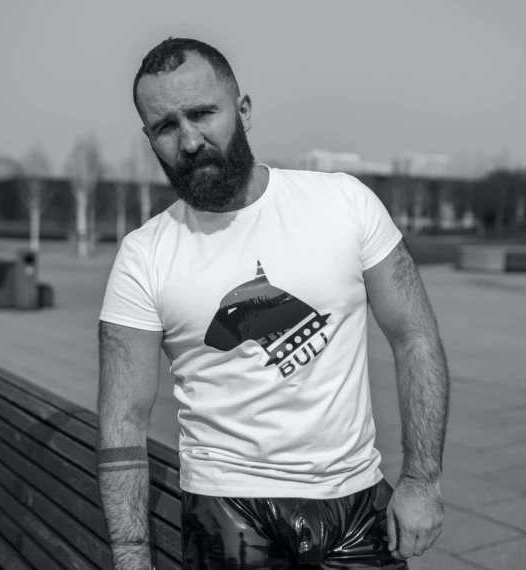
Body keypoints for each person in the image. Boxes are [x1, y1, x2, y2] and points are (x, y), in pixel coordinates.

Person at [97, 37, 450, 570]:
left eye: (202, 113)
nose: (188, 140)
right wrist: (130, 557)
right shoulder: (143, 255)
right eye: (166, 126)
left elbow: (415, 336)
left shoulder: (343, 203)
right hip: (226, 508)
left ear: (242, 111)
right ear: (150, 139)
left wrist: (422, 479)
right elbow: (122, 420)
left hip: (354, 499)